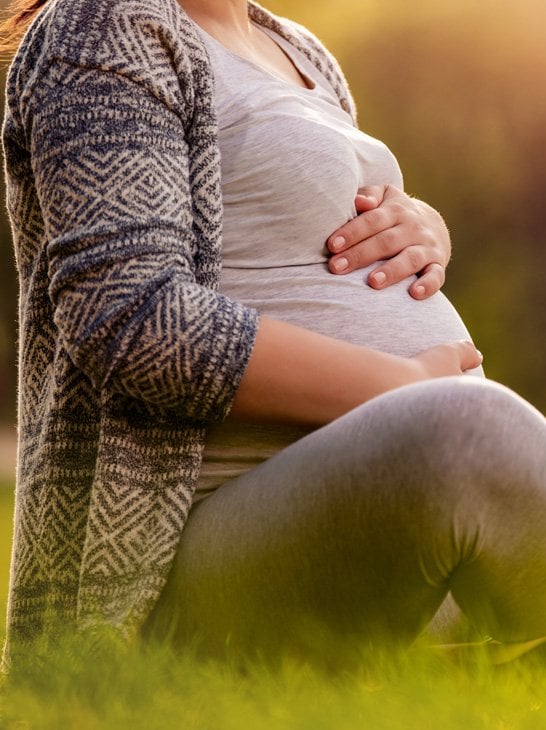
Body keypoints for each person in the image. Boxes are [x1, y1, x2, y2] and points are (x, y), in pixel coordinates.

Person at [1, 0, 545, 668]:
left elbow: (324, 222)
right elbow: (130, 318)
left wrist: (425, 224)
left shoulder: (296, 47)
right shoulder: (106, 24)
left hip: (369, 534)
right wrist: (401, 388)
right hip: (196, 555)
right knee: (472, 434)